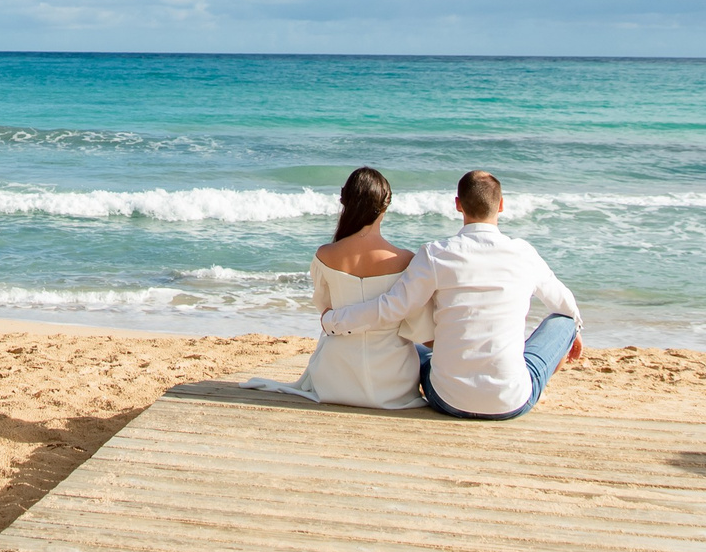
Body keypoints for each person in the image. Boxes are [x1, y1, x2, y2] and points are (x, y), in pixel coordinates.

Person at [319, 169, 581, 420]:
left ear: (458, 204)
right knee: (565, 321)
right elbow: (565, 304)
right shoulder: (524, 254)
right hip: (509, 402)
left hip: (446, 399)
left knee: (417, 348)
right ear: (501, 205)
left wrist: (335, 321)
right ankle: (534, 389)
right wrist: (576, 330)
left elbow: (393, 308)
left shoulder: (436, 254)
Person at [244, 167, 425, 409]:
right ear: (385, 206)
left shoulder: (325, 255)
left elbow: (325, 309)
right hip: (393, 384)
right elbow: (415, 321)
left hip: (335, 379)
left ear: (345, 202)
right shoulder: (406, 259)